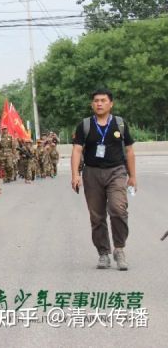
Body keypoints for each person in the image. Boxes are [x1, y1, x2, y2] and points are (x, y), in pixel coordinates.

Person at [71, 88, 136, 271]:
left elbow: (129, 151)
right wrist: (75, 174)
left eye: (103, 100)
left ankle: (119, 249)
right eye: (96, 101)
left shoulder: (120, 124)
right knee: (97, 216)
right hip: (92, 173)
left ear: (111, 104)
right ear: (92, 104)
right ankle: (103, 253)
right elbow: (77, 150)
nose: (99, 103)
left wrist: (133, 176)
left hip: (116, 172)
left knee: (118, 209)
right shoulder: (85, 125)